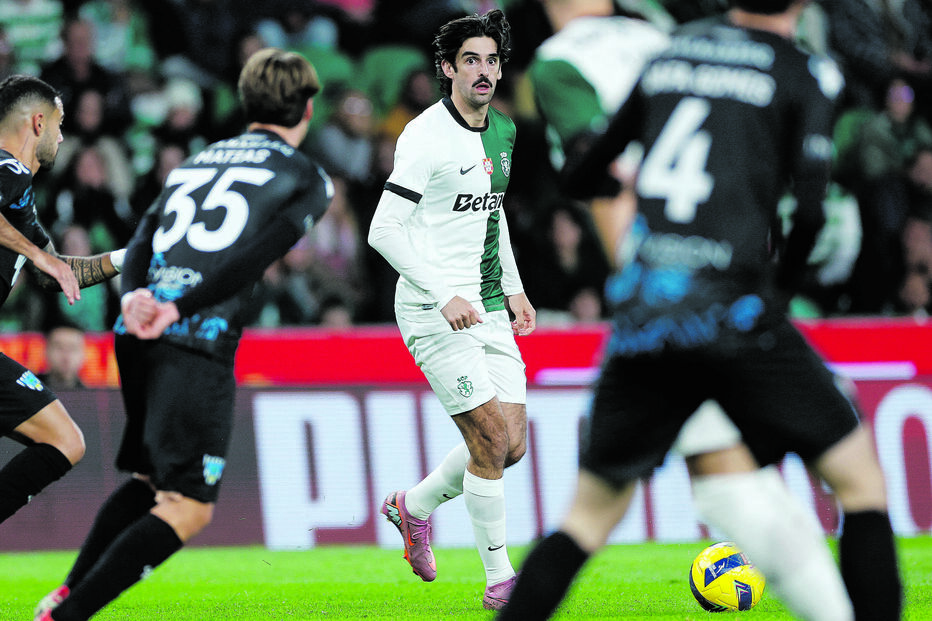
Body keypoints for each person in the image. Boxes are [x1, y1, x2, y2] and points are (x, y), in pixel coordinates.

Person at [498, 1, 902, 620]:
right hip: (735, 308)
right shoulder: (806, 70)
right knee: (859, 483)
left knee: (584, 520)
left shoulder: (671, 53)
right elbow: (811, 210)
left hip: (646, 315)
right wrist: (780, 291)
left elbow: (584, 171)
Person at [34, 47, 333, 621]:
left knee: (151, 482)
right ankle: (68, 617)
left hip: (136, 326)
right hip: (195, 336)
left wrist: (136, 298)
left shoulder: (201, 159)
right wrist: (180, 308)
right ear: (308, 108)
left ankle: (66, 594)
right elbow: (254, 257)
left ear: (246, 102)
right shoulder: (306, 177)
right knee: (189, 505)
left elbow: (144, 236)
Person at [367, 9, 534, 611]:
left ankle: (410, 508)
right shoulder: (424, 136)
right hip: (432, 309)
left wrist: (512, 287)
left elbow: (492, 212)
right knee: (489, 439)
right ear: (447, 68)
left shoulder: (504, 133)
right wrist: (443, 294)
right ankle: (499, 580)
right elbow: (383, 230)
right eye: (470, 60)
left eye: (491, 59)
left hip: (488, 302)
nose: (483, 71)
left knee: (511, 446)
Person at [0, 74, 124, 527]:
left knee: (65, 440)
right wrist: (37, 254)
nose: (62, 134)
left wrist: (127, 258)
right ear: (37, 122)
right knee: (64, 440)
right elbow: (42, 261)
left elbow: (54, 275)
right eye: (59, 123)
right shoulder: (6, 168)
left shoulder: (18, 196)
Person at [38, 322, 87, 390]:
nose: (66, 356)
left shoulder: (91, 397)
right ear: (46, 350)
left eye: (73, 348)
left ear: (83, 354)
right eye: (59, 347)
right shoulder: (29, 390)